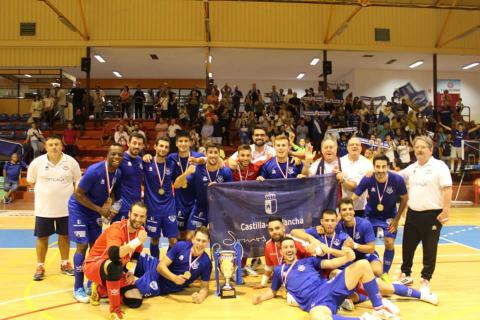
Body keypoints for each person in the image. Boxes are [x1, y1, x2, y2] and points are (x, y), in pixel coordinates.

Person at [252, 237, 399, 320]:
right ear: (281, 251)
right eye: (286, 248)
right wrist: (260, 298)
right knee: (318, 317)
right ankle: (365, 319)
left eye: (291, 247)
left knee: (363, 264)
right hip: (315, 303)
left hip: (328, 287)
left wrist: (346, 257)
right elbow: (273, 291)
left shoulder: (308, 261)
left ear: (295, 249)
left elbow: (330, 263)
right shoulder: (279, 271)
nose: (289, 250)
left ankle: (378, 309)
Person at [395, 136, 452, 293]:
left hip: (432, 215)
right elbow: (397, 176)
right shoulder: (412, 167)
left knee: (429, 249)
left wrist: (445, 210)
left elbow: (447, 189)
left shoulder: (439, 166)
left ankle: (425, 279)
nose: (419, 150)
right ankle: (406, 274)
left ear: (430, 149)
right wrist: (377, 171)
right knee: (407, 247)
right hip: (413, 214)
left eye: (423, 147)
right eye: (417, 147)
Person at [68, 144, 124, 302]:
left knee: (96, 247)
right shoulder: (94, 171)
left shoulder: (117, 173)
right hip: (79, 208)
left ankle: (91, 281)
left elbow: (115, 194)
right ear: (107, 154)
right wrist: (100, 210)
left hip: (95, 210)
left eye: (120, 155)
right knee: (82, 245)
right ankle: (78, 287)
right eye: (113, 154)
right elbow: (78, 194)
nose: (116, 157)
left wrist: (113, 209)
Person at [26, 135, 81, 281]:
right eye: (51, 145)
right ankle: (40, 265)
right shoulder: (37, 163)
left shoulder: (71, 162)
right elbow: (31, 182)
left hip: (66, 209)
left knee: (65, 236)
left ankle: (65, 263)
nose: (54, 147)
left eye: (57, 144)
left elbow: (78, 182)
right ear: (45, 147)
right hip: (44, 210)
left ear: (62, 146)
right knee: (42, 237)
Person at [85, 202, 148, 320]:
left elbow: (136, 253)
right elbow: (114, 255)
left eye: (142, 216)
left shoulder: (141, 231)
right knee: (116, 266)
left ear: (145, 217)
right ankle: (114, 311)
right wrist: (136, 241)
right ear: (129, 214)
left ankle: (100, 290)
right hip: (95, 264)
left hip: (117, 266)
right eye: (135, 215)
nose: (138, 219)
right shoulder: (117, 228)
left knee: (135, 301)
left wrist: (131, 271)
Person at [353, 155, 408, 278]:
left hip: (389, 217)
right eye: (378, 166)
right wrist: (344, 210)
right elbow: (355, 197)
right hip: (370, 216)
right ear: (374, 167)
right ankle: (372, 259)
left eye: (384, 167)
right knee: (365, 243)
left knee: (389, 242)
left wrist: (397, 219)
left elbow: (405, 198)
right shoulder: (368, 178)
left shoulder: (397, 179)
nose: (381, 170)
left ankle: (385, 273)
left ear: (388, 167)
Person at [124, 227, 211, 303]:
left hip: (158, 282)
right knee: (127, 259)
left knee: (130, 293)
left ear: (208, 242)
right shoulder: (181, 246)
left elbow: (204, 287)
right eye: (198, 240)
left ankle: (111, 291)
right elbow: (160, 267)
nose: (200, 244)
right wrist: (174, 278)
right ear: (193, 239)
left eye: (204, 241)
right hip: (154, 265)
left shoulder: (206, 262)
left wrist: (201, 297)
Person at [176, 143, 232, 230]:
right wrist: (187, 172)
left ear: (219, 154)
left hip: (218, 209)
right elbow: (177, 185)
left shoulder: (226, 171)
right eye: (210, 152)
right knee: (190, 236)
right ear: (206, 154)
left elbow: (230, 191)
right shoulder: (198, 168)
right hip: (200, 207)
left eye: (215, 152)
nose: (213, 155)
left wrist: (219, 187)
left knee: (216, 238)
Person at [143, 138, 178, 258]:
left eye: (166, 147)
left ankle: (168, 264)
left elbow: (178, 182)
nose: (163, 149)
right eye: (161, 146)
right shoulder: (146, 162)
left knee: (173, 240)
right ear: (155, 146)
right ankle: (155, 263)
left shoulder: (171, 164)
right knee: (154, 240)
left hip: (169, 207)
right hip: (152, 208)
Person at [254, 216, 309, 289]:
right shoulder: (268, 245)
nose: (274, 232)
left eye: (277, 228)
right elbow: (269, 268)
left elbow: (311, 260)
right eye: (271, 230)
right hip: (284, 283)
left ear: (283, 228)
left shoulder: (295, 242)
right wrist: (262, 283)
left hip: (301, 280)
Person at [167, 131, 204, 237]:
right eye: (180, 141)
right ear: (176, 143)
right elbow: (176, 184)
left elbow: (213, 161)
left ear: (191, 143)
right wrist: (187, 172)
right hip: (179, 202)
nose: (183, 144)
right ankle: (180, 253)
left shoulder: (198, 156)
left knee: (190, 236)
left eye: (186, 141)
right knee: (180, 236)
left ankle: (189, 254)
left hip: (196, 203)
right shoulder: (171, 158)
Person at [114, 133, 145, 222]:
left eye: (139, 144)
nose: (137, 146)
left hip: (137, 206)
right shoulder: (120, 159)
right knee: (119, 234)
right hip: (122, 206)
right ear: (128, 143)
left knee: (135, 235)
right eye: (134, 143)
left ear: (142, 146)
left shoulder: (140, 160)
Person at [339, 137, 374, 218]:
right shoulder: (339, 162)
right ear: (347, 148)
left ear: (361, 148)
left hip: (361, 207)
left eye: (357, 145)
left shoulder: (367, 163)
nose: (354, 146)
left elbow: (357, 188)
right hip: (342, 207)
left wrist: (343, 180)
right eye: (351, 144)